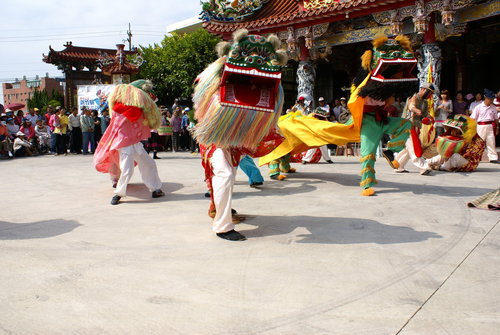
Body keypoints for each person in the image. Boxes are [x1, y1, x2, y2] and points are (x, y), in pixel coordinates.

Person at [93, 79, 165, 205]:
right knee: (127, 169)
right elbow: (141, 113)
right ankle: (118, 194)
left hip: (134, 143)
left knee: (149, 164)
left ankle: (155, 189)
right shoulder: (128, 109)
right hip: (125, 144)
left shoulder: (119, 108)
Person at [395, 82, 435, 175]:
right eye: (428, 92)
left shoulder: (424, 102)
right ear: (422, 89)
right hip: (408, 126)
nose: (429, 95)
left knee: (408, 148)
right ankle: (423, 167)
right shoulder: (414, 98)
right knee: (414, 146)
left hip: (416, 127)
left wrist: (429, 118)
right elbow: (411, 106)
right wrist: (416, 110)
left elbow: (425, 114)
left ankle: (398, 165)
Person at [470, 89, 499, 163]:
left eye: (492, 99)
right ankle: (475, 156)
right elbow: (473, 118)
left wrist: (497, 127)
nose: (491, 100)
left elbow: (496, 119)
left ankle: (493, 158)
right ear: (485, 98)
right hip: (481, 126)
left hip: (490, 126)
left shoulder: (493, 107)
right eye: (490, 99)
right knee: (479, 142)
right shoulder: (478, 107)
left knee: (491, 141)